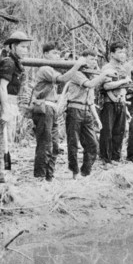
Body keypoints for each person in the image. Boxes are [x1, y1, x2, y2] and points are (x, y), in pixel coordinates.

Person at [31, 43, 85, 181]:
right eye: (54, 53)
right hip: (44, 109)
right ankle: (40, 176)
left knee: (54, 145)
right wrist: (77, 66)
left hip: (52, 109)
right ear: (45, 55)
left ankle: (49, 176)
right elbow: (62, 79)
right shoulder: (45, 68)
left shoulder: (52, 69)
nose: (57, 56)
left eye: (58, 53)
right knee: (45, 143)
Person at [0, 31, 29, 186]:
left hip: (10, 103)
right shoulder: (9, 62)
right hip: (2, 103)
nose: (25, 50)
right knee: (0, 141)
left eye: (27, 47)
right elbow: (2, 88)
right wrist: (5, 109)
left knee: (6, 141)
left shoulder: (16, 63)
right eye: (22, 47)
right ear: (13, 46)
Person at [65, 50, 110, 178]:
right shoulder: (76, 73)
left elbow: (90, 102)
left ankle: (85, 172)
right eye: (91, 59)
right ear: (83, 59)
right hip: (74, 110)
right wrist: (103, 75)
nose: (94, 61)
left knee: (93, 144)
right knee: (73, 143)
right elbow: (89, 85)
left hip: (86, 112)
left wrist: (98, 119)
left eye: (96, 59)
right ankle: (75, 172)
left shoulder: (91, 75)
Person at [99, 42, 132, 164]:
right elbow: (107, 86)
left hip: (121, 102)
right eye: (119, 52)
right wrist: (123, 81)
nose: (123, 55)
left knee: (119, 131)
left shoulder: (123, 68)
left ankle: (115, 157)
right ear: (112, 54)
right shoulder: (107, 68)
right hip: (108, 103)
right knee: (107, 131)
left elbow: (126, 86)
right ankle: (105, 158)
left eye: (124, 52)